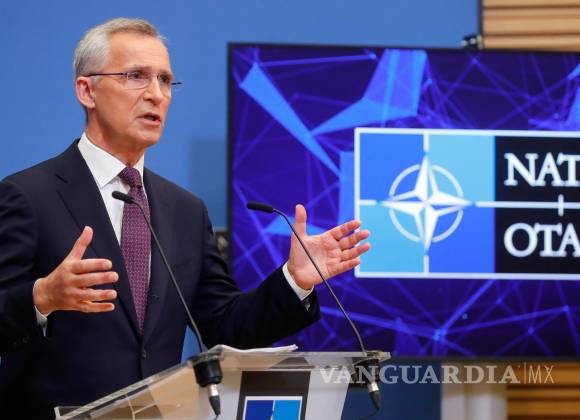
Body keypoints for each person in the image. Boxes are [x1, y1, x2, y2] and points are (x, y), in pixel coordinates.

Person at [0, 18, 370, 418]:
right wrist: (41, 297)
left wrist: (295, 280)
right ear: (86, 90)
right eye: (136, 76)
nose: (156, 94)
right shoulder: (29, 195)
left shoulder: (185, 211)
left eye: (165, 80)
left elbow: (226, 328)